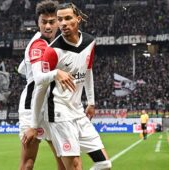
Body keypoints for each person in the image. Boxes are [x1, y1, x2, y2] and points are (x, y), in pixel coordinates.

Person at [23, 2, 111, 170]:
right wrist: (34, 125)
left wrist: (91, 102)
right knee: (74, 166)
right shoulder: (52, 51)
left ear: (78, 19)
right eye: (60, 19)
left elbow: (88, 70)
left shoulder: (89, 42)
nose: (63, 23)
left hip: (78, 111)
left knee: (104, 164)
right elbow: (40, 86)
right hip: (58, 113)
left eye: (68, 18)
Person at [18, 1, 67, 170]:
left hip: (51, 107)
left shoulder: (54, 43)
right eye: (43, 22)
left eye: (52, 21)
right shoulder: (38, 44)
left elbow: (21, 69)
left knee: (64, 160)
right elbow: (39, 78)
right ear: (37, 23)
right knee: (28, 163)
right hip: (31, 108)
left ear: (58, 22)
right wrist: (55, 74)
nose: (47, 26)